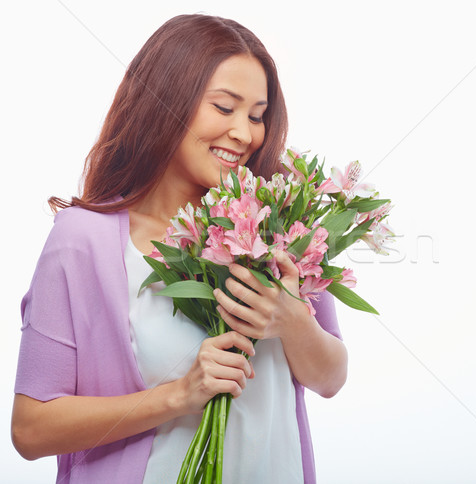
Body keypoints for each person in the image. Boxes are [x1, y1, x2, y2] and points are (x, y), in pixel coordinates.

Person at [11, 14, 347, 484]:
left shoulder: (279, 224)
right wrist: (180, 394)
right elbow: (31, 428)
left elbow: (330, 378)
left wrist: (292, 322)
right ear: (165, 102)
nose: (245, 134)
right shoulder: (83, 238)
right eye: (224, 107)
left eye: (256, 115)